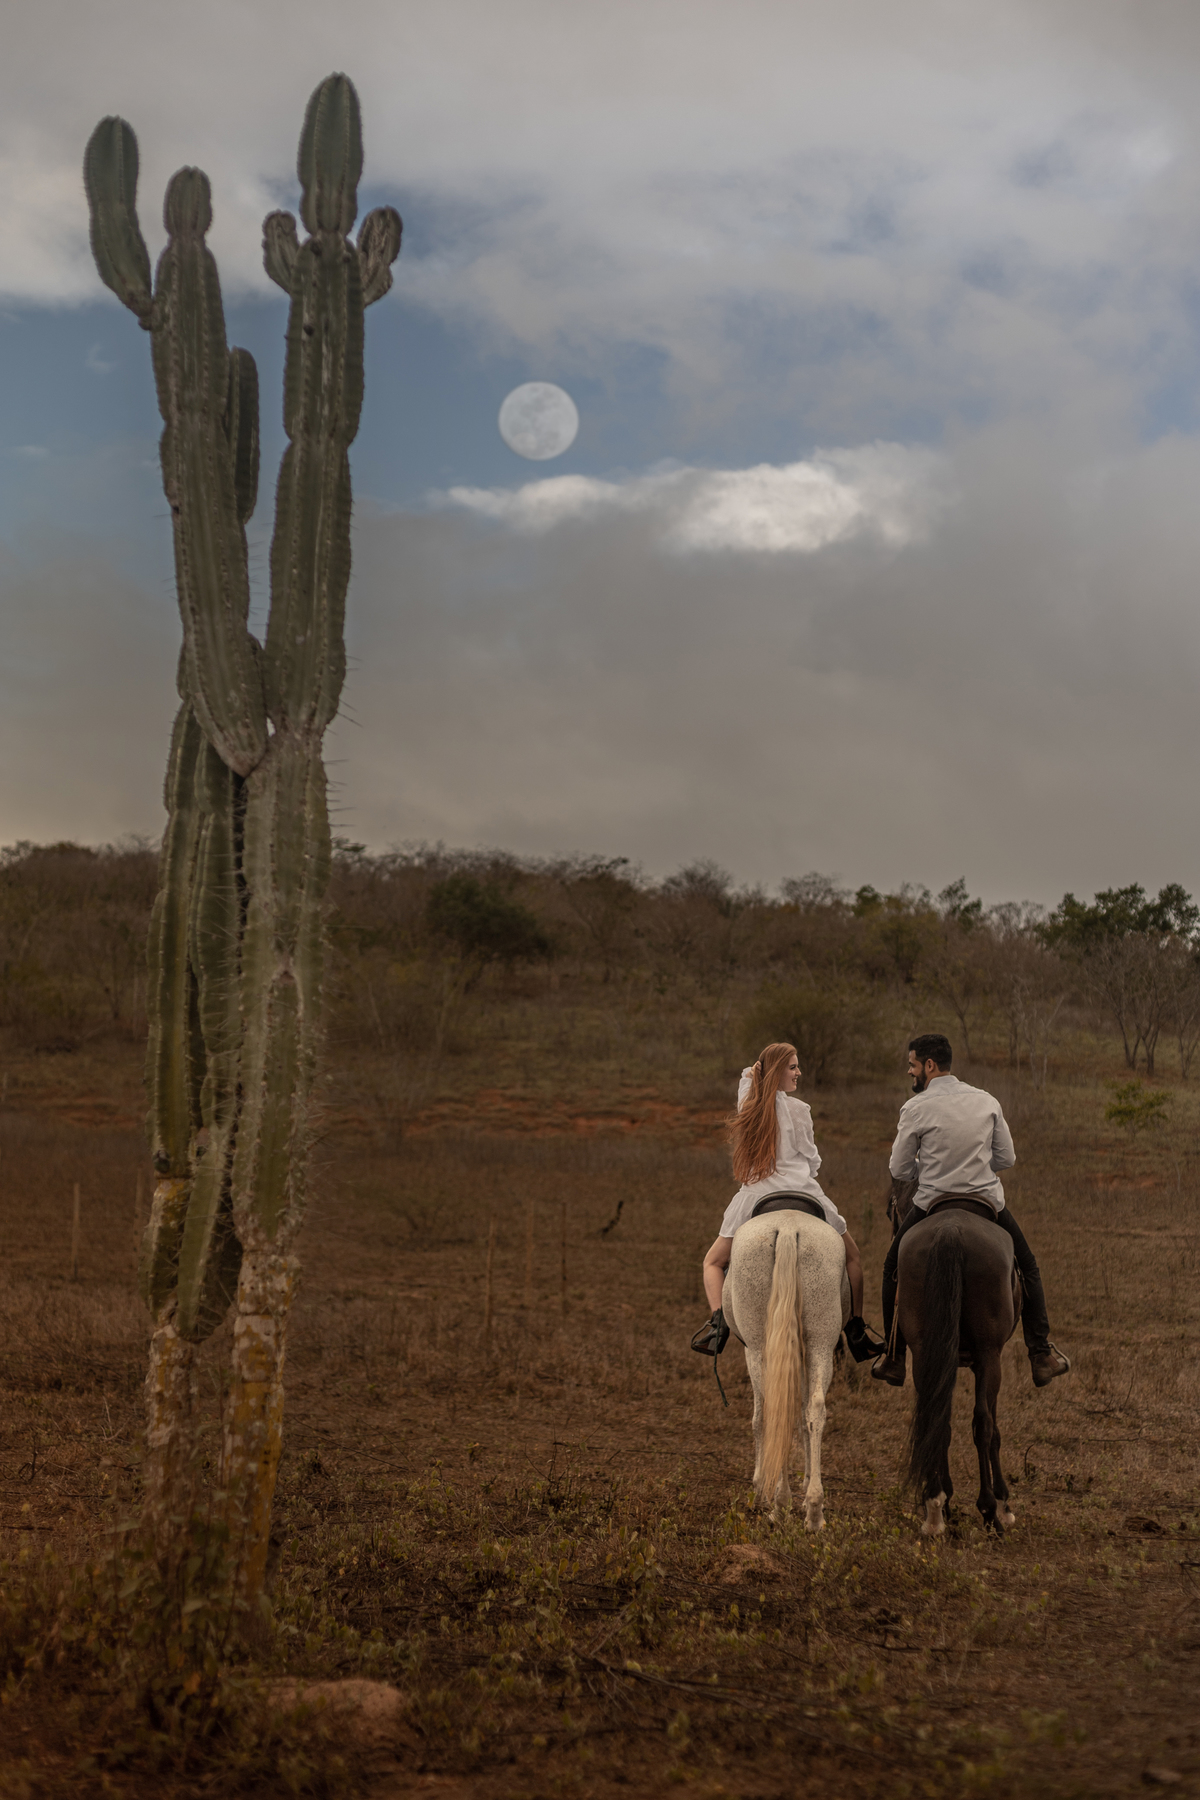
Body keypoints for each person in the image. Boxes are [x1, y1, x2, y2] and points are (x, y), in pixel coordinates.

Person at [871, 1033, 1071, 1389]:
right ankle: (1040, 1354)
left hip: (931, 1203)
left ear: (929, 1065)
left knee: (891, 1268)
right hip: (986, 1202)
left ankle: (894, 1357)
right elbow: (1006, 1158)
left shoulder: (915, 1108)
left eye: (912, 1065)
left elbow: (899, 1169)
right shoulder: (986, 1101)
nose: (910, 1071)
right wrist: (975, 1167)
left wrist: (928, 1170)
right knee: (1028, 1266)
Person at [692, 1041, 885, 1361]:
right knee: (853, 1257)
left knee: (712, 1263)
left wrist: (756, 1073)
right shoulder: (800, 1110)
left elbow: (747, 1080)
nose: (799, 1072)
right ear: (777, 1072)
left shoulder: (749, 1107)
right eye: (793, 1067)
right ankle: (855, 1329)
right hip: (805, 1193)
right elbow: (812, 1160)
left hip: (756, 1195)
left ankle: (718, 1326)